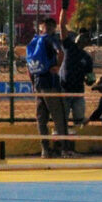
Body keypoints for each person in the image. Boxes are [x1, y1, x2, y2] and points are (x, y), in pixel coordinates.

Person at [23, 18, 70, 157]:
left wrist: (33, 84)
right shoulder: (50, 39)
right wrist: (58, 66)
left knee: (41, 118)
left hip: (38, 84)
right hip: (50, 84)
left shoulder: (34, 42)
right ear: (53, 28)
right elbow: (60, 52)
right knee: (58, 116)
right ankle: (64, 149)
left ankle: (45, 149)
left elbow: (29, 66)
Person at [59, 29, 95, 151]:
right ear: (77, 39)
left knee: (79, 120)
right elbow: (62, 31)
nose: (83, 41)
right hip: (65, 90)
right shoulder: (69, 48)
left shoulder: (87, 58)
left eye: (86, 39)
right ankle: (63, 147)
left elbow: (90, 76)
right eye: (81, 38)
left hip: (78, 92)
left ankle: (72, 147)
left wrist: (90, 80)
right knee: (62, 119)